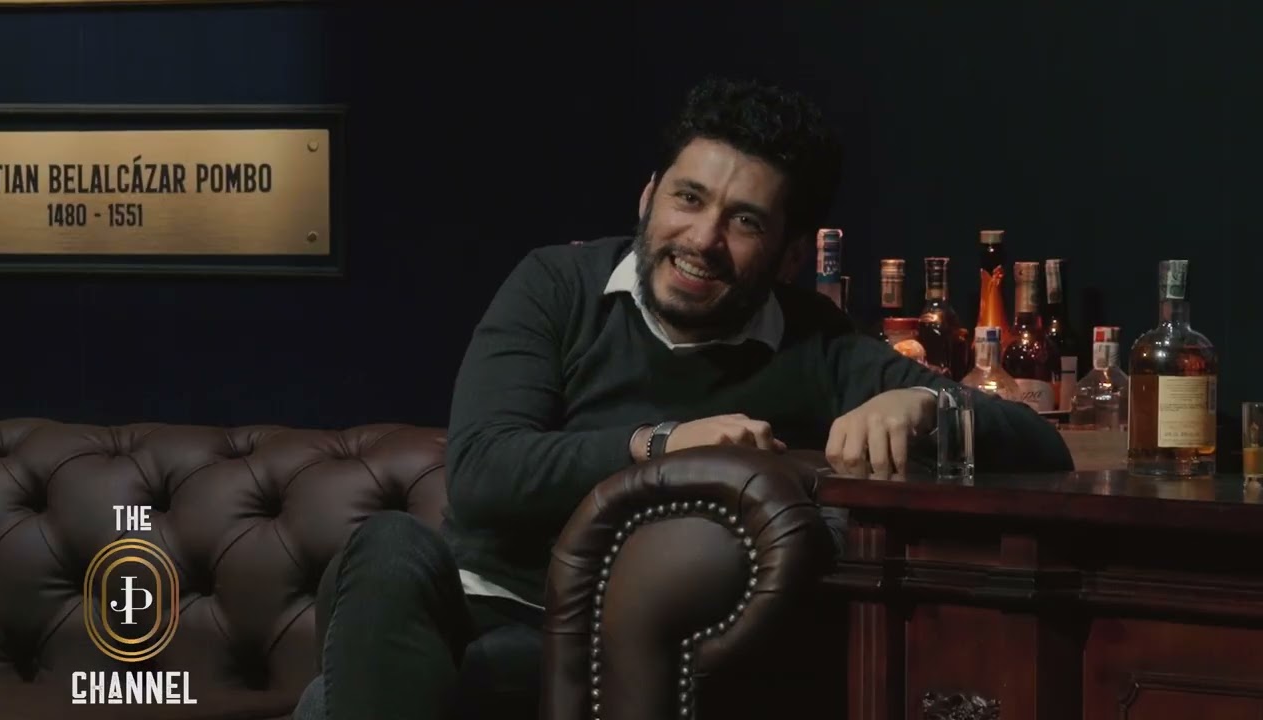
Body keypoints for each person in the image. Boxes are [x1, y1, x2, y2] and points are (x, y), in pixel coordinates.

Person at [297, 76, 1073, 720]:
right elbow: (485, 472)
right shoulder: (556, 287)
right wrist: (664, 445)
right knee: (388, 548)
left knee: (331, 701)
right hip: (479, 606)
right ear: (648, 198)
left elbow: (1044, 447)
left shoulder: (817, 342)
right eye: (689, 198)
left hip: (635, 649)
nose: (702, 239)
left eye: (744, 221)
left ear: (791, 255)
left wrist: (931, 407)